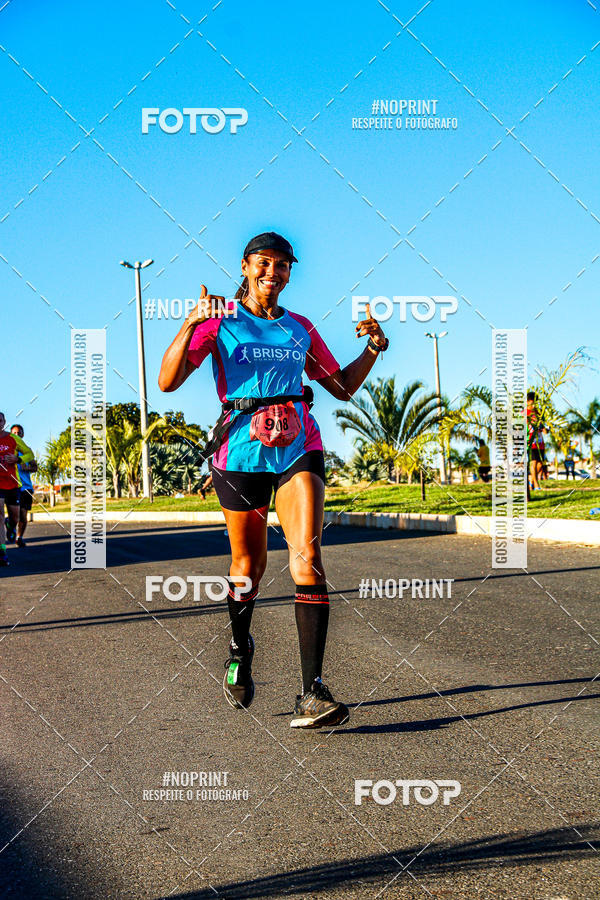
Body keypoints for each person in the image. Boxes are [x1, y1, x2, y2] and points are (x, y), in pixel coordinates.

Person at [159, 232, 389, 728]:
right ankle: (240, 645)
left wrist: (374, 348)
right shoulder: (220, 321)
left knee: (308, 556)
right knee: (249, 566)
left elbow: (342, 387)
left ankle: (313, 692)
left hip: (297, 449)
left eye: (283, 265)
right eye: (263, 263)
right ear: (245, 267)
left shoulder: (299, 328)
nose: (273, 272)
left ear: (290, 273)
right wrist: (189, 324)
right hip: (238, 453)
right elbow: (168, 380)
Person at [0, 412, 34, 566]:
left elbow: (30, 454)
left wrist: (17, 459)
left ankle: (11, 525)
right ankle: (2, 552)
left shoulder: (13, 439)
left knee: (16, 517)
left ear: (4, 422)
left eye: (0, 420)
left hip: (13, 483)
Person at [11, 424, 37, 547]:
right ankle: (10, 526)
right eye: (14, 433)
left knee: (23, 514)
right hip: (12, 486)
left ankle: (19, 537)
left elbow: (35, 467)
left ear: (22, 434)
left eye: (19, 433)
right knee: (14, 514)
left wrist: (28, 468)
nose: (16, 435)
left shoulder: (27, 451)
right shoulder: (7, 449)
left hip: (25, 487)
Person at [527, 392, 546, 491]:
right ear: (528, 401)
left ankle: (531, 480)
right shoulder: (524, 413)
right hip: (531, 442)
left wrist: (544, 429)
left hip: (540, 442)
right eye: (532, 402)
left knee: (540, 464)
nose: (534, 404)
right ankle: (536, 484)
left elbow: (542, 425)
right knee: (533, 463)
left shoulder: (538, 412)